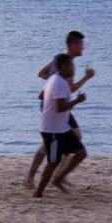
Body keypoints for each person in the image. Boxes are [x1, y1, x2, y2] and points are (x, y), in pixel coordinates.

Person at [23, 30, 95, 189]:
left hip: (57, 104)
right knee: (58, 140)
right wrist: (86, 78)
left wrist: (53, 83)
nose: (83, 48)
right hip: (53, 106)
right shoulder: (63, 62)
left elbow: (44, 74)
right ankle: (36, 176)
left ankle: (58, 174)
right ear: (72, 45)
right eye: (81, 45)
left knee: (70, 137)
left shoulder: (63, 60)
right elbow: (69, 87)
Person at [34, 54, 88, 198]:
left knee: (81, 153)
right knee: (53, 161)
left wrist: (48, 102)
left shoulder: (53, 79)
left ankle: (58, 179)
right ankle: (38, 193)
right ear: (62, 67)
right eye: (70, 65)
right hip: (52, 130)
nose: (73, 68)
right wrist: (77, 100)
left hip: (61, 127)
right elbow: (60, 108)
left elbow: (40, 96)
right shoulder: (59, 83)